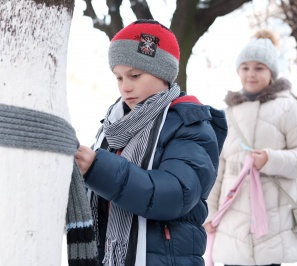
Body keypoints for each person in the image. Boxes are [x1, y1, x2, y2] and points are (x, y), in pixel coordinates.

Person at [74, 19, 227, 266]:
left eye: (135, 75)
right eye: (119, 78)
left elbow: (176, 194)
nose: (125, 87)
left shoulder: (190, 124)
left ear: (162, 72)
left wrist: (97, 168)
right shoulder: (114, 126)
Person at [204, 29, 297, 266]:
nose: (251, 74)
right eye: (245, 67)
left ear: (271, 72)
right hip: (232, 229)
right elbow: (217, 169)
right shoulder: (227, 115)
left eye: (259, 68)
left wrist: (271, 159)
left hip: (273, 229)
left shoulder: (291, 108)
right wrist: (209, 213)